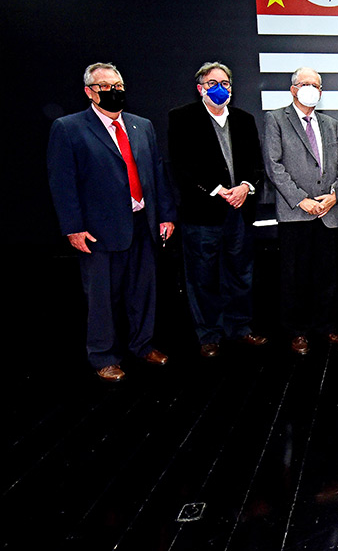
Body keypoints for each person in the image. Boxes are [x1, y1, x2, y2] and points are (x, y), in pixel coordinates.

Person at [47, 62, 176, 381]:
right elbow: (62, 182)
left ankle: (143, 345)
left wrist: (166, 215)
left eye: (118, 86)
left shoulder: (141, 125)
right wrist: (73, 227)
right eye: (105, 86)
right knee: (102, 297)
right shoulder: (69, 128)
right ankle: (103, 356)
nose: (114, 91)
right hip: (98, 231)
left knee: (143, 292)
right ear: (89, 91)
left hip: (142, 224)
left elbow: (157, 173)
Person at [168, 62, 267, 358]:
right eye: (213, 82)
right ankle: (208, 334)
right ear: (200, 88)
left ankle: (240, 327)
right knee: (203, 277)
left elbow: (255, 164)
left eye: (225, 82)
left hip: (239, 211)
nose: (220, 87)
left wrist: (246, 186)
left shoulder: (244, 119)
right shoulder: (183, 118)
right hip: (202, 213)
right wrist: (216, 189)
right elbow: (181, 166)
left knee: (240, 273)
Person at [263, 67, 338, 354]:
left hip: (328, 212)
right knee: (294, 275)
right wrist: (302, 199)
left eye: (316, 85)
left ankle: (326, 326)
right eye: (305, 84)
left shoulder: (332, 124)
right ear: (293, 89)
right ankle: (297, 331)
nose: (311, 88)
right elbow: (274, 166)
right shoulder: (275, 119)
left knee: (327, 275)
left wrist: (334, 197)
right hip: (295, 212)